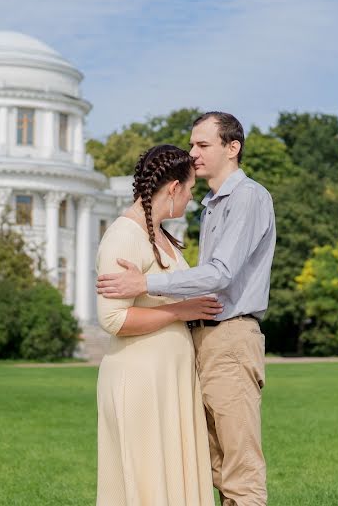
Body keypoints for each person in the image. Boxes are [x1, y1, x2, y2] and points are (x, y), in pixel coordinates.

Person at [97, 113, 276, 506]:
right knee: (213, 465)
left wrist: (146, 283)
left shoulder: (247, 198)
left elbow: (221, 273)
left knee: (239, 469)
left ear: (233, 148)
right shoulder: (212, 205)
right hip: (205, 342)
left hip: (230, 338)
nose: (192, 153)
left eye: (203, 145)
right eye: (192, 144)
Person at [96, 144, 223, 506]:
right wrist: (180, 312)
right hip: (141, 380)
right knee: (147, 482)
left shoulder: (161, 235)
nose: (192, 199)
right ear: (173, 189)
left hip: (170, 379)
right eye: (191, 190)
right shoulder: (124, 236)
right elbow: (113, 318)